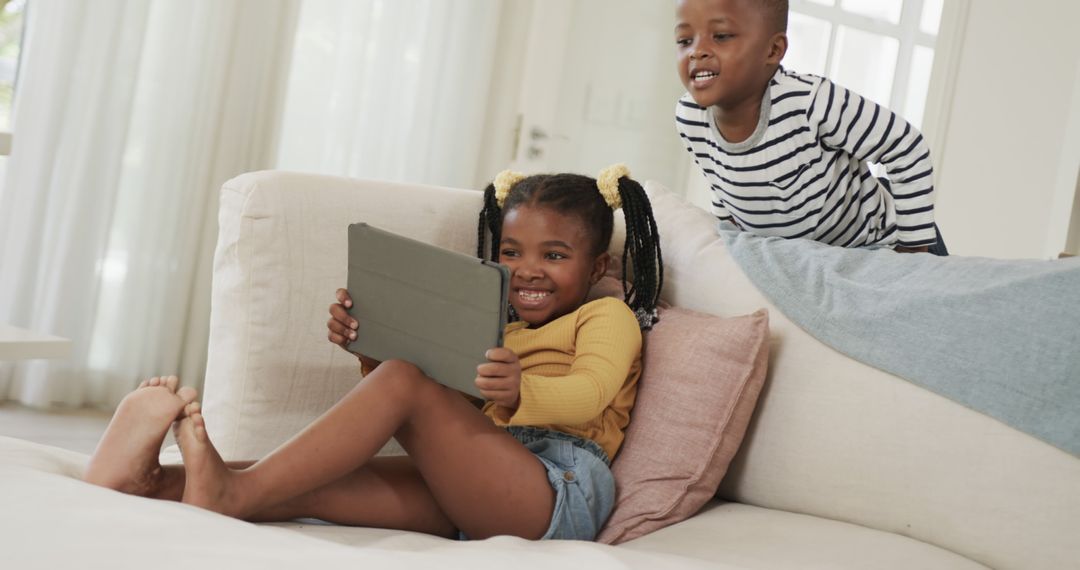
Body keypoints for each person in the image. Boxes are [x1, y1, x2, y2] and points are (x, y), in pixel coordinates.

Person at [84, 164, 664, 542]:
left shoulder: (605, 315)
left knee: (407, 380)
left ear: (597, 268)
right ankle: (149, 483)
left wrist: (519, 390)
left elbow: (592, 389)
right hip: (487, 475)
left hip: (558, 488)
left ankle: (224, 493)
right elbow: (454, 407)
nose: (527, 270)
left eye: (555, 256)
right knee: (311, 481)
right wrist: (370, 348)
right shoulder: (501, 327)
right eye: (511, 252)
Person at [674, 0, 947, 254]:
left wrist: (912, 254)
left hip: (882, 244)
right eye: (685, 40)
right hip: (812, 261)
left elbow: (906, 145)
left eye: (721, 36)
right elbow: (724, 185)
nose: (697, 51)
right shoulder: (690, 118)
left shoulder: (809, 102)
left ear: (773, 50)